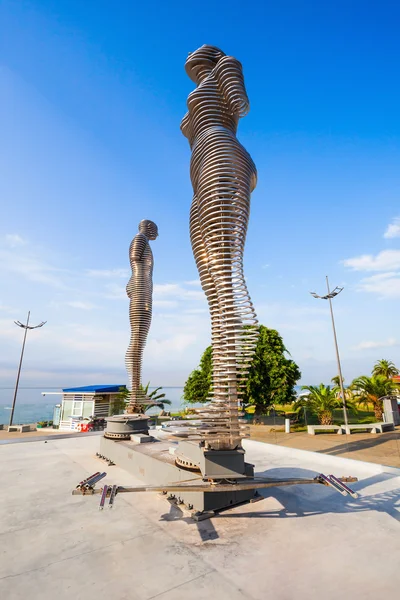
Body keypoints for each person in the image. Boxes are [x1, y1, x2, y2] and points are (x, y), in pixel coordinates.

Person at [181, 45, 258, 449]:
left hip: (221, 154)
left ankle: (226, 401)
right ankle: (221, 399)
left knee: (226, 281)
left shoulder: (224, 67)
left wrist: (227, 71)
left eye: (199, 60)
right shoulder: (198, 91)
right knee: (212, 287)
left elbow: (242, 106)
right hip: (202, 169)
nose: (192, 64)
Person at [125, 219, 158, 413]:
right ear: (148, 227)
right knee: (137, 339)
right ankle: (135, 393)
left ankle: (136, 392)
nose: (157, 235)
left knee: (139, 340)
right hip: (141, 290)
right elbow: (135, 260)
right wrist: (136, 287)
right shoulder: (140, 239)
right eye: (156, 230)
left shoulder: (142, 240)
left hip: (142, 290)